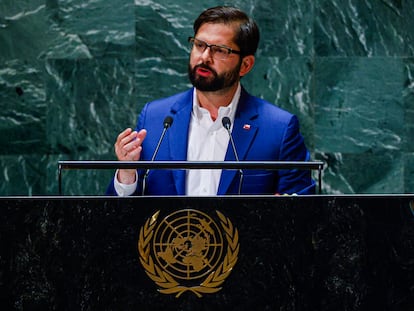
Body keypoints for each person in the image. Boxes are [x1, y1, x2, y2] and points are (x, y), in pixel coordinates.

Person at [106, 6, 315, 196]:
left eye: (220, 50)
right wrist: (127, 172)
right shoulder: (156, 118)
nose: (205, 57)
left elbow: (302, 209)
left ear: (245, 65)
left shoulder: (278, 128)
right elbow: (123, 214)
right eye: (199, 45)